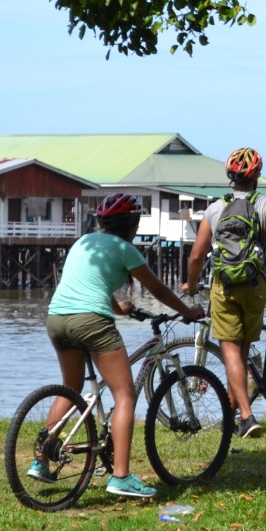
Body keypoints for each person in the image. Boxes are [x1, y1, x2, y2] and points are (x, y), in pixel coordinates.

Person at [37, 192, 204, 498]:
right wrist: (188, 311)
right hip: (90, 321)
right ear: (133, 224)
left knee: (70, 388)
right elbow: (158, 289)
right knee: (125, 395)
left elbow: (86, 284)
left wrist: (117, 308)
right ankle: (121, 477)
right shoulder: (126, 249)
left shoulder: (83, 242)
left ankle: (42, 461)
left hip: (57, 317)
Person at [182, 147, 266, 440]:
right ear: (257, 176)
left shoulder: (214, 209)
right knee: (240, 351)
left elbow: (196, 256)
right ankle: (235, 413)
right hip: (255, 285)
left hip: (223, 286)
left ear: (230, 176)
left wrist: (190, 284)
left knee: (231, 350)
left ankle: (246, 415)